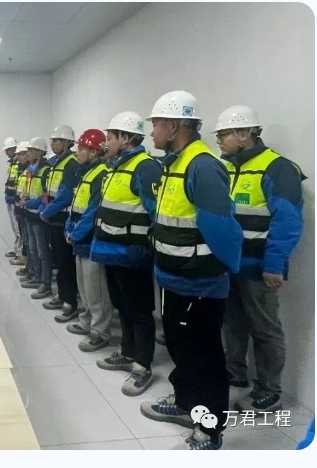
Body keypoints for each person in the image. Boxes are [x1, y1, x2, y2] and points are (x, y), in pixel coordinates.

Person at [138, 91, 243, 450]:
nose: (152, 132)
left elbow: (223, 229)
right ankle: (186, 403)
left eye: (155, 125)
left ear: (173, 125)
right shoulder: (175, 163)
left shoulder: (202, 166)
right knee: (181, 348)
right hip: (174, 279)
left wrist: (223, 268)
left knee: (204, 356)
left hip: (200, 282)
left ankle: (209, 430)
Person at [214, 105, 305, 413]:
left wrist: (274, 265)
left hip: (259, 268)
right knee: (232, 323)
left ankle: (269, 390)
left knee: (265, 329)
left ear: (244, 133)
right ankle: (235, 374)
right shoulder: (226, 168)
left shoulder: (278, 168)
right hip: (230, 266)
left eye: (223, 135)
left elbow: (288, 221)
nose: (219, 141)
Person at [92, 112, 162, 396]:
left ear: (126, 138)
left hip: (133, 254)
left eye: (110, 137)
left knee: (140, 310)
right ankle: (127, 351)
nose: (105, 143)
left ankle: (143, 365)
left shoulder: (145, 167)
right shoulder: (115, 167)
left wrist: (147, 246)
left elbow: (156, 212)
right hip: (111, 252)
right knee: (122, 305)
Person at [63, 129, 113, 352]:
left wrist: (75, 233)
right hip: (79, 239)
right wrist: (69, 228)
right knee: (84, 287)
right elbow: (76, 205)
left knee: (96, 290)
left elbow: (93, 211)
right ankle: (86, 321)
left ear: (94, 152)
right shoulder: (86, 172)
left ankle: (100, 331)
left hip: (90, 240)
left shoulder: (101, 174)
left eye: (82, 148)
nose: (78, 152)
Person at [40, 126, 82, 320]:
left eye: (56, 140)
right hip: (53, 220)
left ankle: (70, 302)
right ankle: (62, 295)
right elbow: (50, 192)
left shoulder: (71, 164)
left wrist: (46, 212)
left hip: (61, 220)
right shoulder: (58, 162)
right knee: (59, 261)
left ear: (66, 142)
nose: (52, 143)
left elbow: (65, 195)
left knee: (66, 264)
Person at [18, 137, 53, 300]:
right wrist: (24, 198)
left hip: (39, 216)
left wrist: (32, 203)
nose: (28, 154)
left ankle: (44, 283)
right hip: (29, 214)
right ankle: (35, 275)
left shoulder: (46, 171)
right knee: (32, 249)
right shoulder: (30, 170)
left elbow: (46, 196)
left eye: (31, 151)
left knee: (42, 251)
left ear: (39, 152)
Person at [11, 142, 31, 267]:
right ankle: (25, 259)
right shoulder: (21, 169)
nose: (18, 157)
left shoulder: (31, 170)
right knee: (24, 236)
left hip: (26, 208)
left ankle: (27, 261)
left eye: (20, 154)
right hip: (19, 207)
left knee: (28, 238)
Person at [2, 137, 22, 259]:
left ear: (14, 148)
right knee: (14, 228)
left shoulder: (19, 164)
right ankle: (17, 250)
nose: (6, 152)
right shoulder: (12, 163)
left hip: (16, 200)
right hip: (9, 199)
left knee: (18, 228)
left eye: (8, 150)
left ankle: (20, 253)